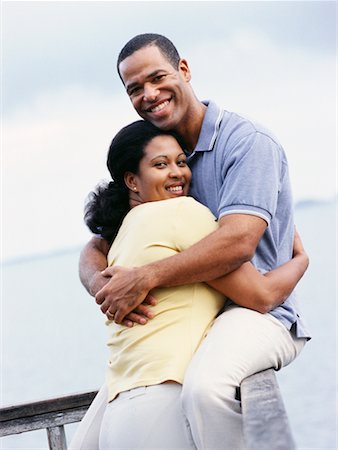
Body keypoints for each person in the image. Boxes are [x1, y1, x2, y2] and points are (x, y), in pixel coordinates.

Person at [77, 34, 311, 449]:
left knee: (205, 391)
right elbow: (97, 245)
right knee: (89, 436)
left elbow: (237, 243)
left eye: (157, 77)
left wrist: (146, 276)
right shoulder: (162, 151)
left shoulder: (246, 143)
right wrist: (104, 285)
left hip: (258, 311)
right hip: (199, 320)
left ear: (183, 70)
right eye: (134, 88)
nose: (149, 94)